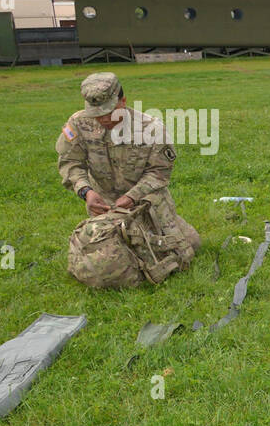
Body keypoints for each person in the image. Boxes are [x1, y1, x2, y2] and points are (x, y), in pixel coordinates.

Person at [56, 72, 200, 285]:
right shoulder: (78, 124)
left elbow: (159, 173)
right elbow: (70, 163)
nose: (104, 119)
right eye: (97, 113)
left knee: (191, 245)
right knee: (111, 264)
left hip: (148, 206)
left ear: (123, 101)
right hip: (105, 210)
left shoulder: (151, 128)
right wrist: (86, 191)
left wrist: (132, 197)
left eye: (109, 112)